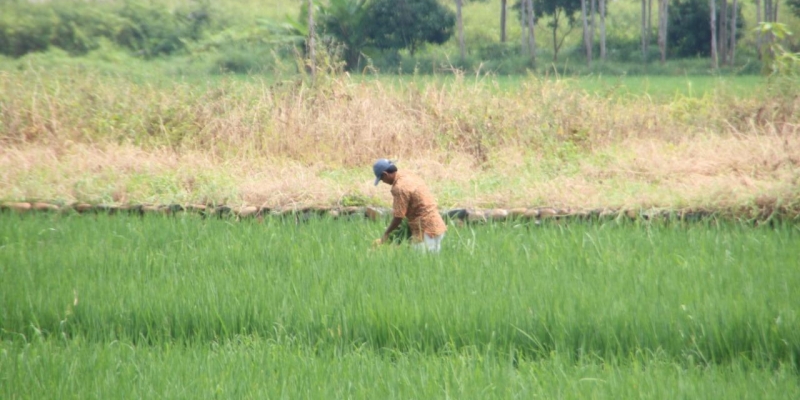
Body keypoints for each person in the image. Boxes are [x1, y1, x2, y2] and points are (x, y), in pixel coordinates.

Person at [372, 159, 447, 253]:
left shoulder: (399, 188)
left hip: (424, 231)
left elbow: (398, 217)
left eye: (382, 179)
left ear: (385, 174)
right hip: (437, 224)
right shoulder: (407, 174)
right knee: (433, 261)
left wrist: (386, 235)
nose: (383, 182)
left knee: (420, 263)